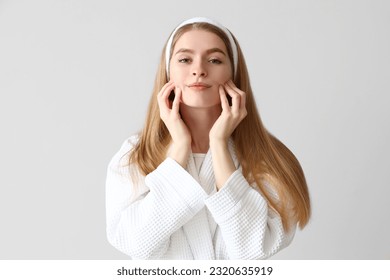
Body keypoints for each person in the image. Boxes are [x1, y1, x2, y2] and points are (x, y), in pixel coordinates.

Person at [105, 17, 311, 260]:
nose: (199, 70)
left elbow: (251, 252)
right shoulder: (135, 154)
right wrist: (180, 149)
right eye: (185, 59)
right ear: (168, 72)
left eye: (214, 60)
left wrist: (220, 144)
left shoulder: (269, 159)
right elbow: (136, 244)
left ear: (233, 73)